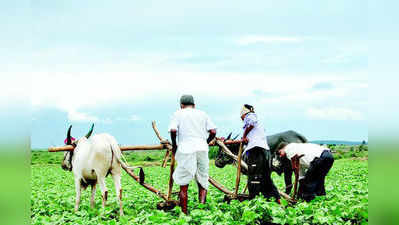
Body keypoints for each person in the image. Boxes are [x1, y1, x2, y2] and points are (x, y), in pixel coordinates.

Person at [169, 95, 217, 214]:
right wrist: (205, 142)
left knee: (184, 183)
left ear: (181, 105)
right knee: (202, 179)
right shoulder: (202, 114)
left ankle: (185, 213)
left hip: (186, 149)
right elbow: (213, 131)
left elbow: (173, 130)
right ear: (194, 105)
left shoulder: (178, 113)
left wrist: (175, 145)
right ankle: (201, 210)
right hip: (202, 149)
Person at [240, 104, 280, 202]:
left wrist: (244, 136)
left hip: (256, 151)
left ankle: (254, 200)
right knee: (265, 177)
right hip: (263, 151)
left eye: (241, 117)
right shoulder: (258, 125)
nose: (242, 119)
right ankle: (276, 199)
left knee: (254, 177)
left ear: (244, 114)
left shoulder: (250, 116)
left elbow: (251, 123)